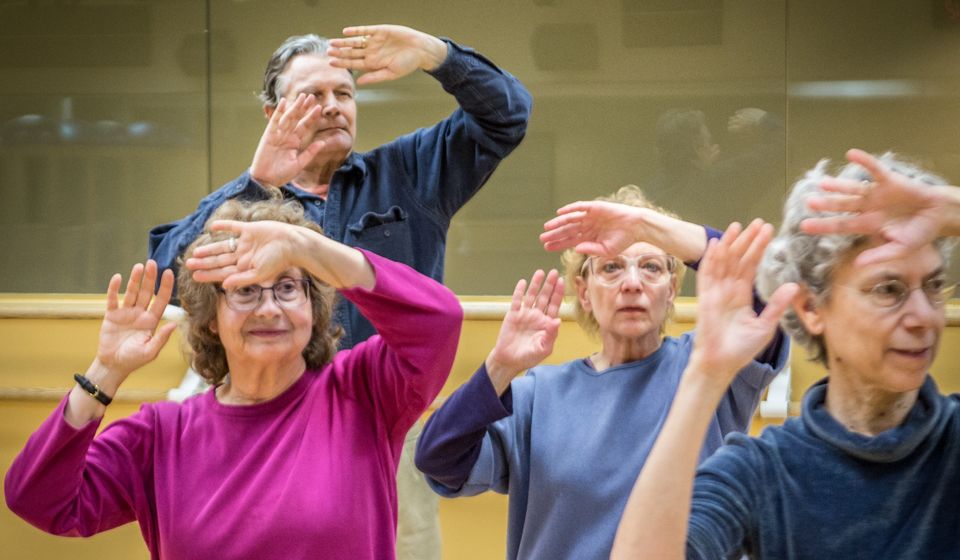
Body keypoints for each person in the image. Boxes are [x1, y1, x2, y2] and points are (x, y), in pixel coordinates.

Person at [4, 197, 463, 560]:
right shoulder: (162, 435)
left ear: (313, 305)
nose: (269, 308)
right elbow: (38, 499)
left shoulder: (364, 390)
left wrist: (309, 249)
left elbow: (439, 321)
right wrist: (106, 370)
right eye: (245, 290)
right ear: (209, 319)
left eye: (287, 286)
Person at [611, 150, 960, 559]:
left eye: (934, 286)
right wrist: (705, 374)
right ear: (811, 309)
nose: (923, 316)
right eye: (888, 290)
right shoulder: (762, 470)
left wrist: (951, 210)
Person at [414, 185, 790, 560]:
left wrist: (644, 225)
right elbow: (438, 459)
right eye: (611, 267)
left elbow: (764, 293)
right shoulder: (538, 396)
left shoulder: (711, 364)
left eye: (652, 267)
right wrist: (501, 366)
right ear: (584, 291)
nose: (631, 283)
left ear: (673, 289)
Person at [148, 24, 531, 347]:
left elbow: (507, 116)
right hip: (286, 413)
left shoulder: (409, 172)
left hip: (395, 411)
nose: (333, 106)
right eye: (314, 95)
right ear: (273, 114)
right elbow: (162, 281)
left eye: (344, 94)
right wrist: (257, 183)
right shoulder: (248, 204)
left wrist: (436, 54)